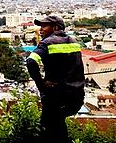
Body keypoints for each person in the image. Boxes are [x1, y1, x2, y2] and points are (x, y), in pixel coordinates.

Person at [26, 15, 85, 143]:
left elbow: (31, 62)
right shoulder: (75, 42)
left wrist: (41, 84)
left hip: (56, 97)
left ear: (56, 27)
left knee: (46, 129)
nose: (40, 30)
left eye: (44, 26)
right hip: (77, 97)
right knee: (58, 124)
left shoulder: (47, 42)